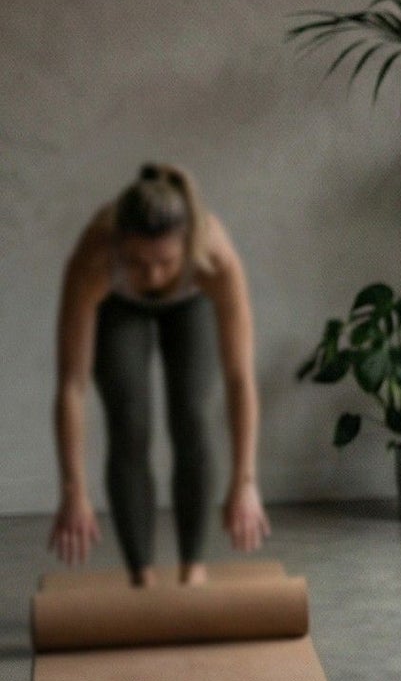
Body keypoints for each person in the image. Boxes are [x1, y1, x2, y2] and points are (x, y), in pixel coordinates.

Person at [49, 164, 271, 587]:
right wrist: (73, 491)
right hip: (119, 306)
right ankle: (142, 577)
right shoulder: (95, 257)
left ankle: (193, 571)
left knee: (193, 413)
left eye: (166, 262)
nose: (152, 276)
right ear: (119, 246)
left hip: (191, 304)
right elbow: (72, 386)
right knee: (128, 418)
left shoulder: (215, 257)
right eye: (137, 262)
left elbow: (239, 377)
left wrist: (246, 481)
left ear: (187, 245)